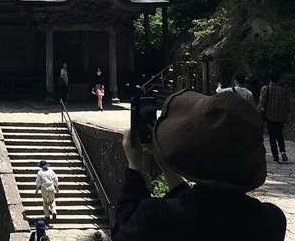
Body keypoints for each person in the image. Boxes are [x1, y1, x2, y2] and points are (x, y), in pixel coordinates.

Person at [111, 90, 286, 241]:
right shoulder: (270, 221)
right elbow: (207, 213)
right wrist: (168, 170)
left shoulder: (154, 216)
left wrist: (134, 167)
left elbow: (123, 232)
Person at [259, 73, 291, 163]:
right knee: (280, 135)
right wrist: (287, 115)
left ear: (270, 79)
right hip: (281, 117)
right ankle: (283, 151)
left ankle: (275, 156)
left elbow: (262, 102)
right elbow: (288, 105)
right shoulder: (283, 90)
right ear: (278, 80)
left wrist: (259, 112)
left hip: (270, 116)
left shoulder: (265, 89)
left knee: (272, 137)